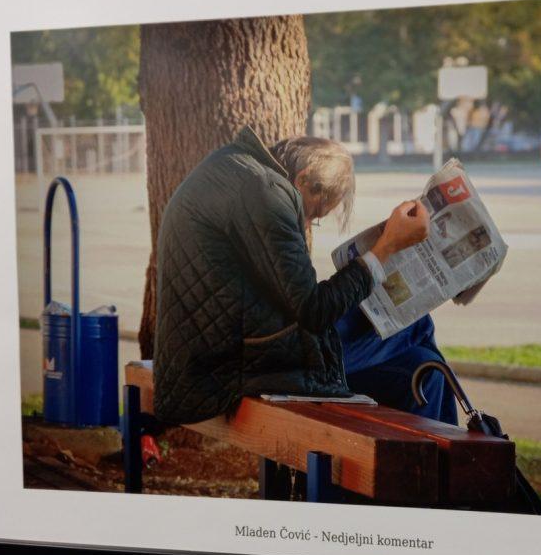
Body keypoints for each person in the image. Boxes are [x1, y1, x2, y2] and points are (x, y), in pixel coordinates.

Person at [152, 126, 429, 425]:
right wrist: (385, 248)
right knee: (416, 327)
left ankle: (442, 456)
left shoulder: (237, 168)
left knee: (422, 367)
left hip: (211, 354)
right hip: (227, 364)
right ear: (304, 180)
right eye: (313, 213)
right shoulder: (267, 193)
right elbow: (313, 311)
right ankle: (452, 459)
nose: (307, 225)